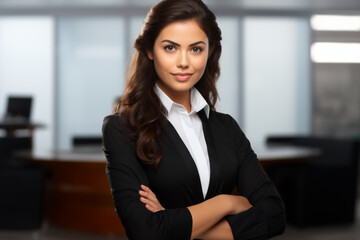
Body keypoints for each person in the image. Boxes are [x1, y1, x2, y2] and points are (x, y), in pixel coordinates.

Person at [102, 0, 285, 239]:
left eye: (196, 49)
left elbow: (275, 214)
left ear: (209, 52)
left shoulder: (226, 127)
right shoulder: (122, 128)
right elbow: (145, 231)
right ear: (149, 50)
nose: (184, 62)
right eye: (170, 48)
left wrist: (172, 220)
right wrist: (227, 203)